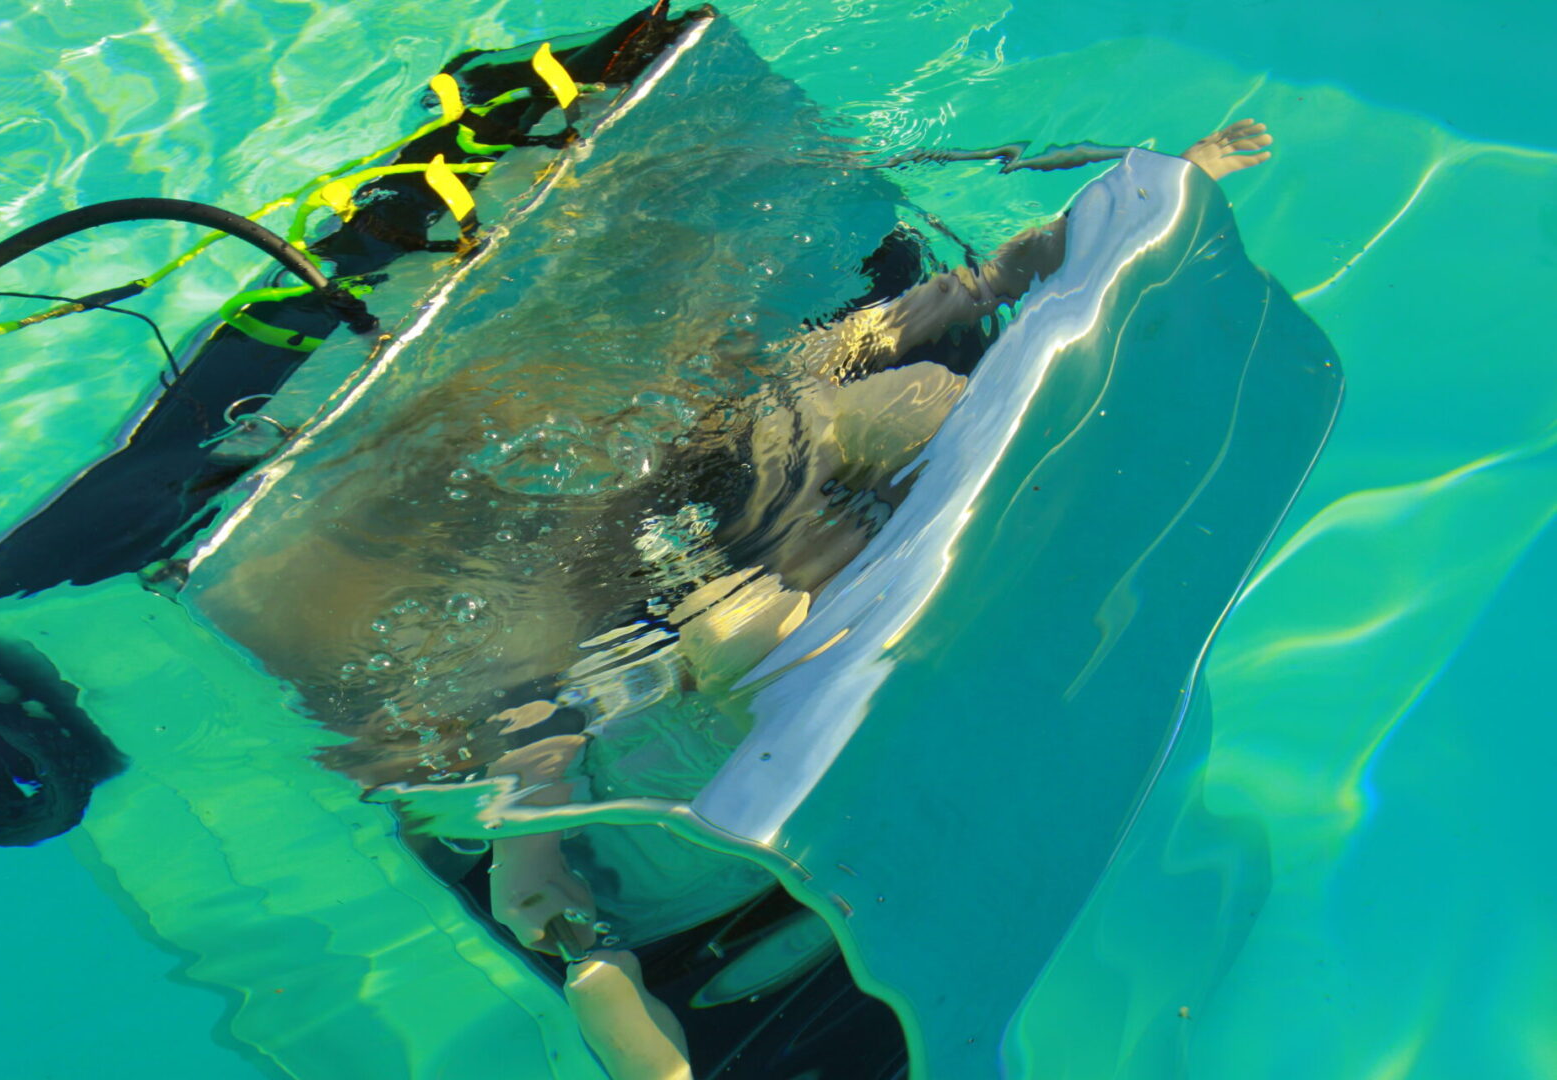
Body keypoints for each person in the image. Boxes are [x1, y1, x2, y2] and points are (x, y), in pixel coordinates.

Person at [479, 120, 1273, 1080]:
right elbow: (536, 741)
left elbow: (980, 290)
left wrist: (1150, 200)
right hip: (673, 838)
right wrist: (543, 866)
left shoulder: (794, 407)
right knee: (751, 619)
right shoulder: (687, 594)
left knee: (920, 403)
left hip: (763, 712)